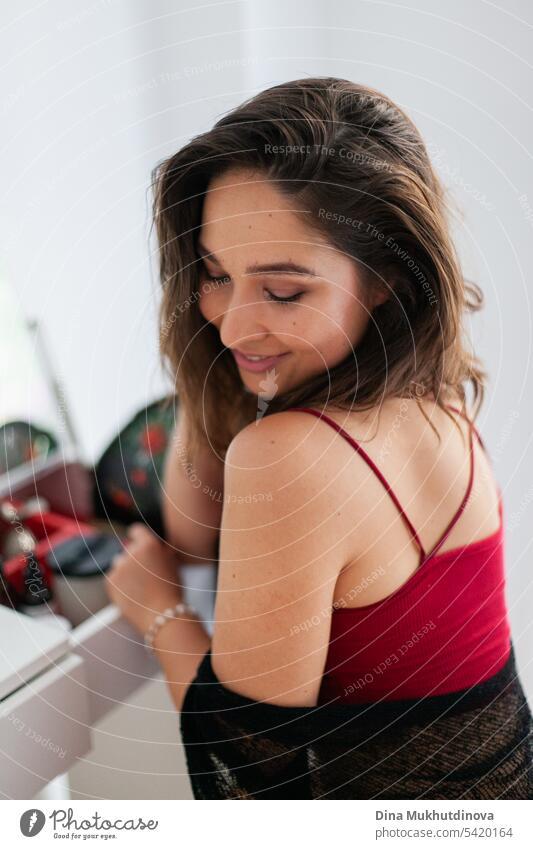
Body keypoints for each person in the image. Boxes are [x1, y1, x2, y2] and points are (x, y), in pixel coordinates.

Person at [106, 77, 532, 799]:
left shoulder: (295, 455)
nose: (232, 324)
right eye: (212, 275)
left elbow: (249, 788)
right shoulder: (434, 400)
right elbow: (194, 528)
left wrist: (159, 610)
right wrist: (219, 368)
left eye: (281, 290)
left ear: (383, 277)